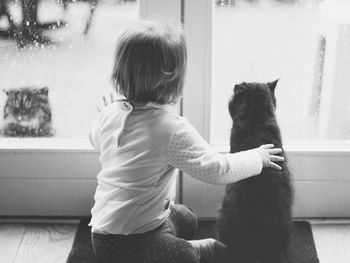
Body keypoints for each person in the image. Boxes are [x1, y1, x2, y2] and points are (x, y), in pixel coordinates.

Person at [88, 19, 284, 263]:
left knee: (187, 218)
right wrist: (257, 158)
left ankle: (168, 243)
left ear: (118, 73)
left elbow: (97, 142)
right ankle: (198, 249)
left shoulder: (109, 114)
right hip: (129, 242)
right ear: (174, 81)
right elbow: (216, 169)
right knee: (184, 256)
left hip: (103, 236)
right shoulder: (171, 128)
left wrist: (109, 117)